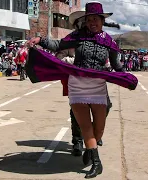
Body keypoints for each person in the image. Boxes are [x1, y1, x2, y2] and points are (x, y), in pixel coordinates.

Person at [27, 2, 124, 178]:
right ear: (86, 21)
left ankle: (90, 147)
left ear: (102, 21)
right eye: (89, 19)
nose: (92, 22)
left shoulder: (109, 41)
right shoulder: (77, 36)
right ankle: (96, 163)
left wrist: (125, 77)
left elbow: (117, 65)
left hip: (97, 86)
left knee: (99, 128)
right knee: (85, 125)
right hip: (77, 84)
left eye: (96, 19)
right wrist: (41, 40)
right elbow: (57, 45)